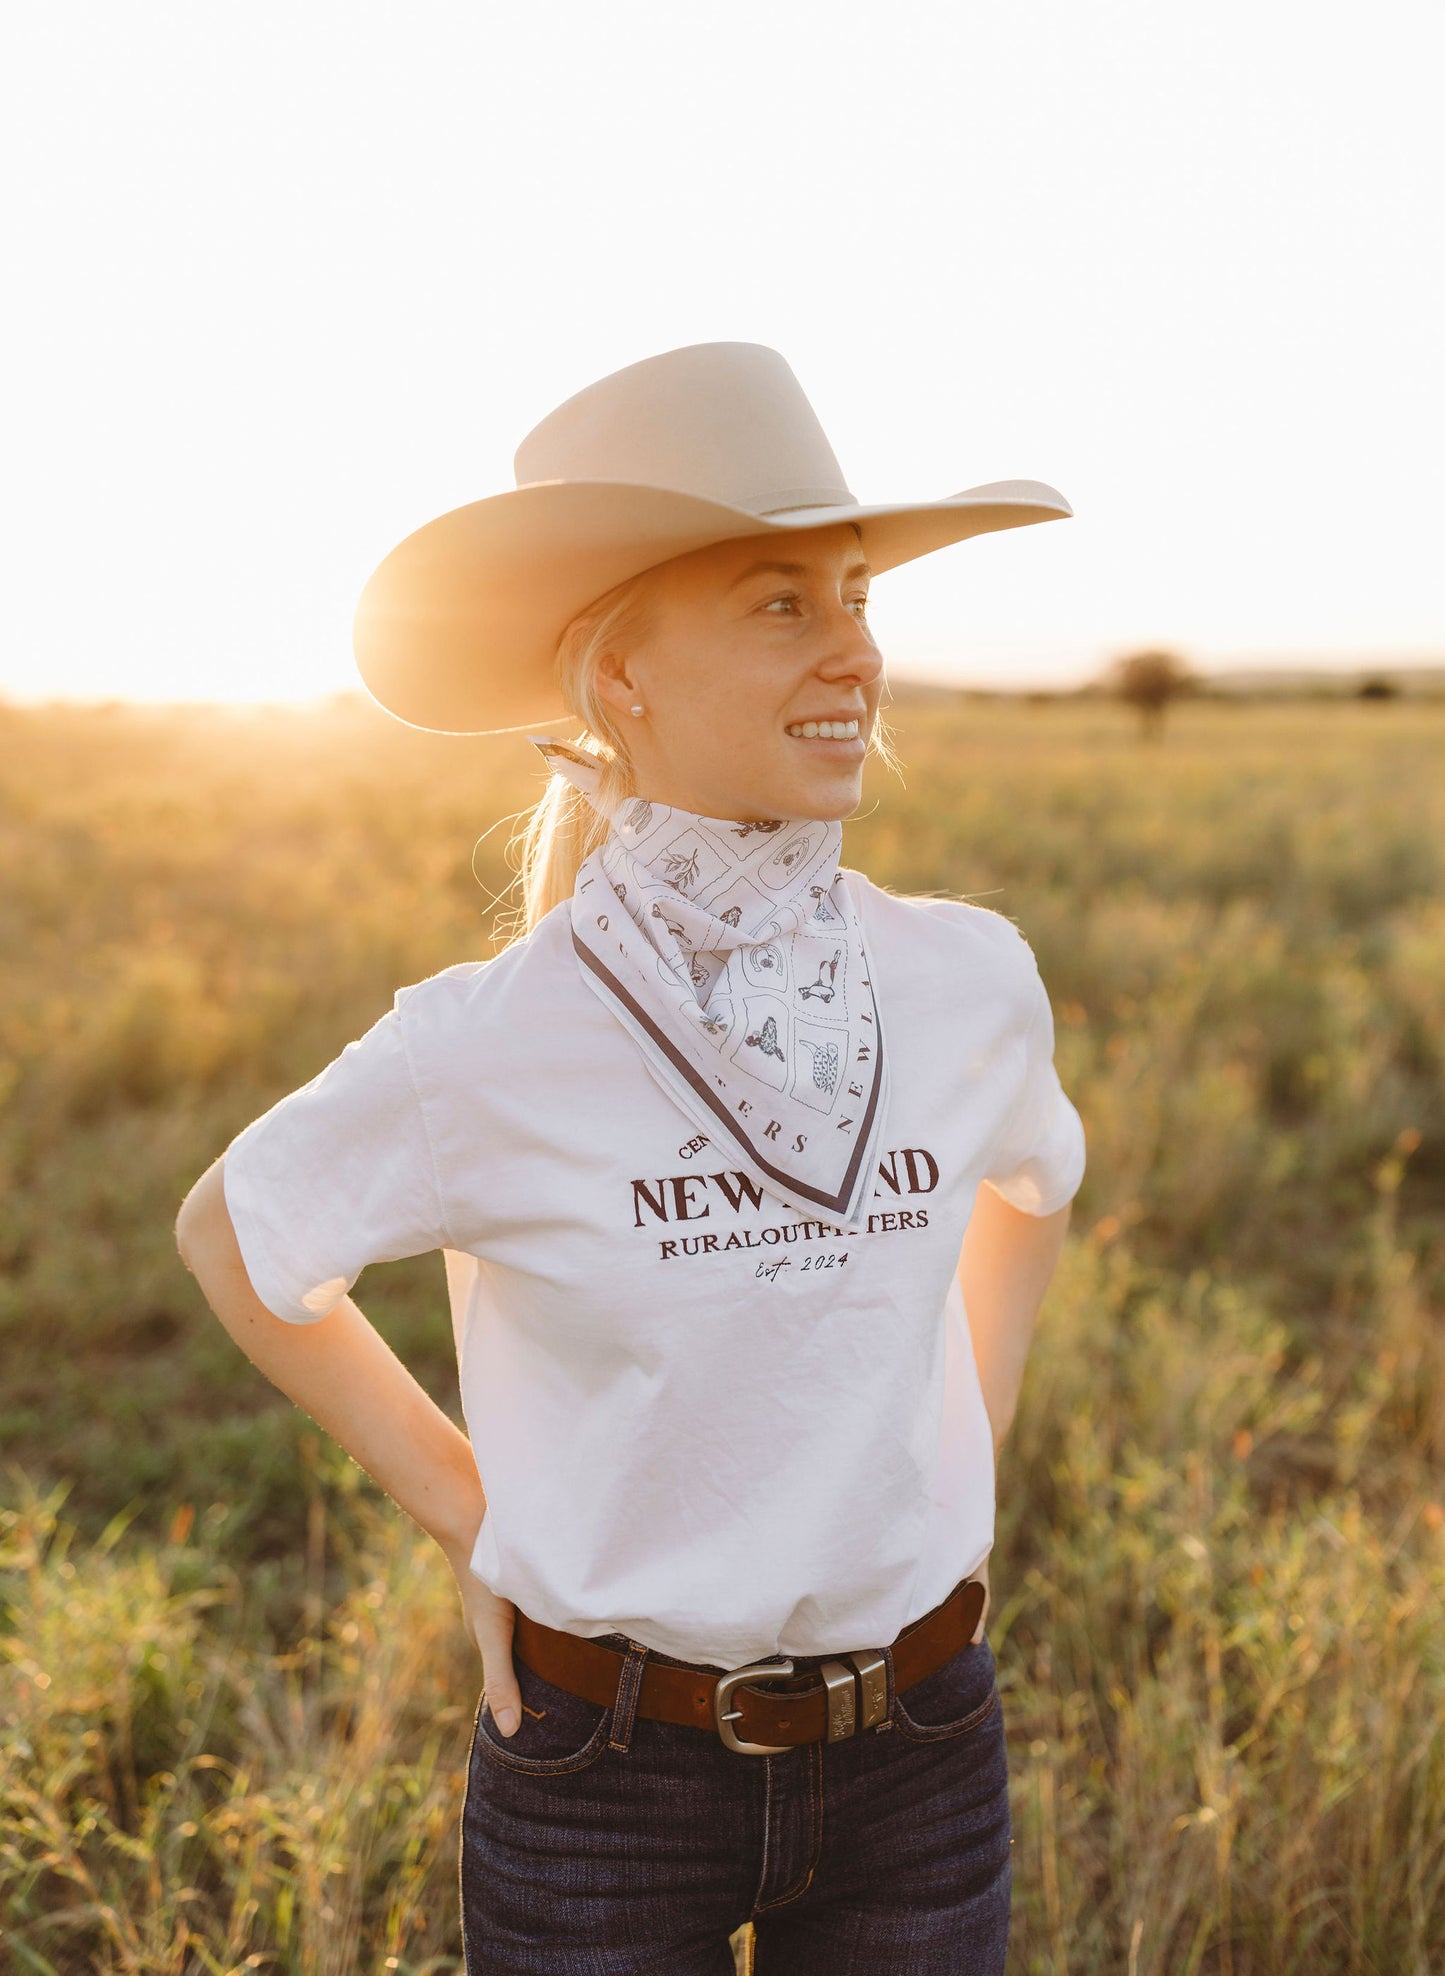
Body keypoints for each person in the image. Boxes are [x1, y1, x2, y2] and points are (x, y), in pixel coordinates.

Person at [176, 341, 1087, 1975]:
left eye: (856, 595)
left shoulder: (969, 978)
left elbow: (1034, 1190)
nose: (853, 654)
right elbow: (235, 1239)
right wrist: (469, 1513)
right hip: (607, 1778)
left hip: (924, 1750)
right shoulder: (487, 1042)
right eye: (777, 603)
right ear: (621, 680)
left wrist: (975, 1424)